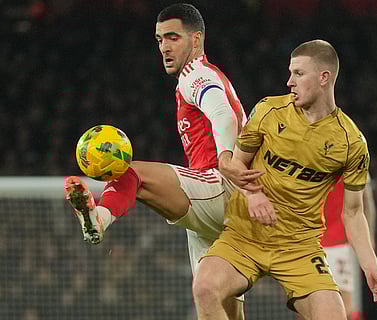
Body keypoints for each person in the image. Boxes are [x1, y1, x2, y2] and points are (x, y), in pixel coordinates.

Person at [64, 3, 261, 319]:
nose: (164, 47)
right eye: (159, 40)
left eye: (172, 37)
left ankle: (99, 217)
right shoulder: (208, 76)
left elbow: (222, 114)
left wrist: (225, 158)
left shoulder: (195, 73)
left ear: (196, 40)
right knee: (217, 304)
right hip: (222, 207)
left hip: (220, 187)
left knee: (131, 174)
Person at [192, 39, 377, 320]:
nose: (289, 82)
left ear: (324, 78)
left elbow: (354, 211)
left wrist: (371, 265)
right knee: (205, 288)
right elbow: (236, 163)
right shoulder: (268, 111)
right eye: (290, 73)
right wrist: (253, 194)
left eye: (298, 74)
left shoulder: (351, 142)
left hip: (299, 247)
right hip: (245, 236)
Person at [322, 175, 376, 320]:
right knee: (344, 306)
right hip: (333, 243)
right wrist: (369, 239)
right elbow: (367, 200)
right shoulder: (354, 157)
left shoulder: (306, 158)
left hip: (330, 242)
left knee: (342, 306)